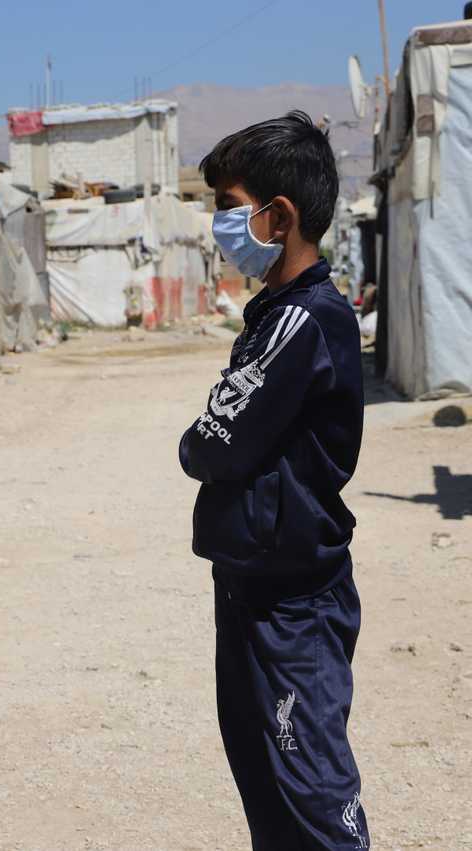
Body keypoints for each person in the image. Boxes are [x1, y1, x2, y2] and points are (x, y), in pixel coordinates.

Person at [179, 111, 370, 850]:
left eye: (227, 207)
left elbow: (213, 444)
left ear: (278, 216)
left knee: (316, 799)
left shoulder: (305, 320)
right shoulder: (275, 317)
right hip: (251, 590)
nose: (219, 226)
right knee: (267, 792)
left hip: (293, 607)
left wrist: (200, 441)